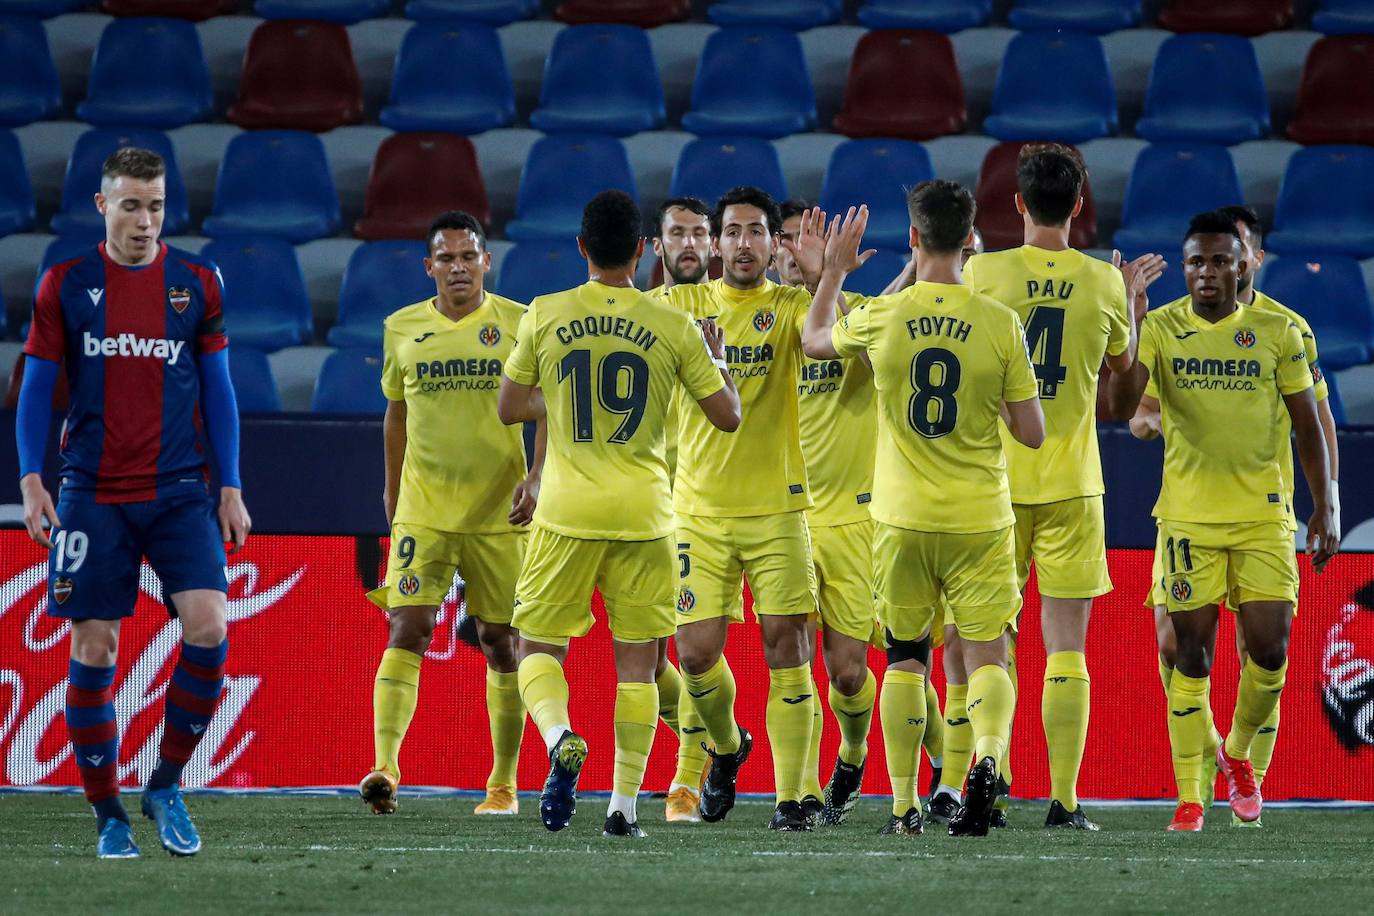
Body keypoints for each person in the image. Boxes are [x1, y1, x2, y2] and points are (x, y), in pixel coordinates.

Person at [17, 147, 251, 859]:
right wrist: (31, 479)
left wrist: (231, 484)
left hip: (180, 489)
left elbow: (218, 388)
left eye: (155, 205)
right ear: (102, 205)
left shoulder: (196, 282)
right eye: (131, 205)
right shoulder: (67, 283)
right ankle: (110, 815)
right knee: (95, 647)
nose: (146, 220)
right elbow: (34, 390)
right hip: (91, 495)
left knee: (209, 627)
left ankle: (165, 784)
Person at [802, 183, 1044, 837]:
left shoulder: (886, 314)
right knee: (987, 657)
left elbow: (816, 338)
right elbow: (1032, 433)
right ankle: (986, 761)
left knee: (907, 659)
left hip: (902, 517)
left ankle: (906, 806)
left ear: (913, 239)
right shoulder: (1001, 324)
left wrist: (831, 273)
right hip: (979, 517)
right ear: (970, 240)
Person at [498, 190, 740, 838]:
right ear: (642, 251)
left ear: (581, 248)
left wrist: (566, 398)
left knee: (536, 649)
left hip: (567, 512)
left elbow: (509, 406)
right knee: (638, 666)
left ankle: (558, 738)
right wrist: (718, 362)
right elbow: (727, 417)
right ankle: (623, 807)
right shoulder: (674, 325)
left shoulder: (546, 313)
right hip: (647, 513)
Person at [959, 142, 1163, 830]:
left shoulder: (981, 273)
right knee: (1066, 646)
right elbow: (1121, 400)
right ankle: (1067, 801)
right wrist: (1132, 311)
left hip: (991, 487)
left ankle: (994, 767)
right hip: (1074, 485)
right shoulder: (1105, 283)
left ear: (1016, 203)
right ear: (1079, 205)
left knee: (990, 640)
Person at [1128, 211, 1338, 832]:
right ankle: (1191, 796)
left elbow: (1311, 419)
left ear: (1250, 259)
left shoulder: (1284, 330)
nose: (1211, 270)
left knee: (1269, 653)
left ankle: (1239, 756)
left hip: (1263, 517)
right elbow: (1128, 409)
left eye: (1225, 258)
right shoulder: (1165, 327)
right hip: (1189, 517)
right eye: (1199, 261)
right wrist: (1134, 328)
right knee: (1187, 654)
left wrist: (1327, 501)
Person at [359, 211, 543, 818]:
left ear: (487, 262)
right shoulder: (401, 328)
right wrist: (390, 491)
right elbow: (396, 413)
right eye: (447, 258)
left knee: (500, 641)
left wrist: (538, 477)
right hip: (425, 510)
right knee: (407, 626)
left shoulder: (520, 323)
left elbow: (546, 410)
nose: (458, 267)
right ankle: (385, 765)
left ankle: (504, 785)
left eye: (469, 256)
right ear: (429, 267)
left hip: (501, 514)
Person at [666, 186, 825, 832]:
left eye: (757, 232)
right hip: (698, 511)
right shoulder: (679, 307)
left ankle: (789, 798)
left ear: (773, 244)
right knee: (696, 653)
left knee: (786, 647)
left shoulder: (790, 306)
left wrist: (823, 277)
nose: (743, 244)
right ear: (713, 243)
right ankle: (728, 748)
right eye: (731, 232)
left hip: (777, 509)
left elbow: (834, 339)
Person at [775, 197, 882, 824]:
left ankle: (856, 746)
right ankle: (800, 791)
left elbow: (871, 363)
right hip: (784, 521)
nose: (795, 250)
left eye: (807, 239)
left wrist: (828, 281)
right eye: (786, 240)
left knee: (847, 673)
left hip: (854, 519)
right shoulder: (759, 322)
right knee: (790, 655)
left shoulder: (863, 314)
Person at [644, 196, 716, 824]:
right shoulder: (640, 315)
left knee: (694, 652)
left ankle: (685, 782)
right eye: (677, 234)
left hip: (705, 504)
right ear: (657, 245)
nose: (689, 244)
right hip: (641, 501)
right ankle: (720, 740)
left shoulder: (736, 308)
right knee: (657, 655)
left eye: (699, 233)